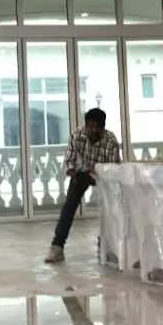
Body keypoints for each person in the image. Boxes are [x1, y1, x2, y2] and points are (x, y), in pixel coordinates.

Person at [44, 108, 120, 263]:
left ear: (104, 127)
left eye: (98, 127)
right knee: (69, 206)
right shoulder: (77, 135)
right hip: (81, 174)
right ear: (86, 126)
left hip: (104, 177)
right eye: (91, 126)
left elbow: (113, 169)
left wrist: (97, 177)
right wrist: (76, 174)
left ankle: (105, 245)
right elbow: (69, 161)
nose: (94, 130)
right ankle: (57, 246)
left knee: (111, 209)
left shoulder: (111, 140)